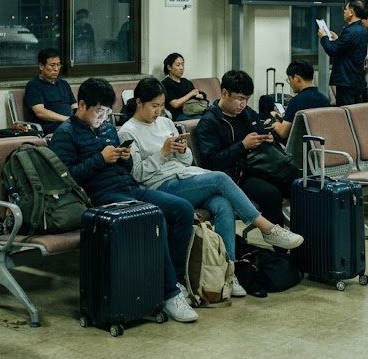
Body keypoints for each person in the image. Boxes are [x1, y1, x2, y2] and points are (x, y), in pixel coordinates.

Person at [119, 77, 304, 297]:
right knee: (219, 179)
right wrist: (163, 153)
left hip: (184, 176)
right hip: (160, 186)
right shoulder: (128, 131)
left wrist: (181, 149)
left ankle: (229, 271)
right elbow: (137, 174)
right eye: (154, 106)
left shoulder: (166, 122)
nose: (158, 111)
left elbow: (187, 161)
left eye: (161, 106)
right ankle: (268, 229)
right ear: (139, 103)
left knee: (223, 204)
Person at [49, 78, 199, 323]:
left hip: (128, 187)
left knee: (182, 209)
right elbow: (66, 179)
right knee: (154, 215)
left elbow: (126, 167)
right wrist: (100, 158)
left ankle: (174, 280)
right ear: (82, 105)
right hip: (100, 198)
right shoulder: (65, 134)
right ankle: (170, 293)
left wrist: (125, 157)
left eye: (107, 112)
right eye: (98, 112)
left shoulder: (108, 128)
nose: (102, 118)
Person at [195, 70, 292, 227]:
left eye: (247, 99)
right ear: (224, 93)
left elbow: (260, 131)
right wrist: (242, 146)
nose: (243, 104)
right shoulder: (209, 122)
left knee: (299, 181)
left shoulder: (246, 113)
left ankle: (306, 238)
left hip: (260, 166)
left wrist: (268, 138)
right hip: (237, 177)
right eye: (240, 99)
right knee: (271, 194)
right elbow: (211, 162)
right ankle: (279, 248)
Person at [318, 0, 368, 106]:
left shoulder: (350, 31)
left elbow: (333, 50)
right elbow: (349, 49)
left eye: (345, 9)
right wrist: (338, 40)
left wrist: (324, 38)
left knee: (345, 113)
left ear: (351, 12)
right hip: (357, 79)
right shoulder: (362, 30)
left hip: (346, 80)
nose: (344, 12)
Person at [270, 59, 331, 141]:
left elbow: (283, 133)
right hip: (321, 146)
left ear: (297, 78)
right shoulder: (324, 99)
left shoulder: (296, 101)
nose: (290, 83)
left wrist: (275, 123)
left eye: (289, 79)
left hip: (301, 148)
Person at [24, 48, 76, 134]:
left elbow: (74, 106)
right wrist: (67, 119)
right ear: (41, 66)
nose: (56, 69)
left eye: (58, 65)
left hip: (70, 124)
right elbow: (40, 112)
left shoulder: (64, 84)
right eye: (52, 65)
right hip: (52, 127)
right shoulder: (34, 85)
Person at [161, 52, 207, 121]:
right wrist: (191, 94)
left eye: (182, 65)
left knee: (213, 114)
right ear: (169, 67)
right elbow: (175, 104)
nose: (181, 68)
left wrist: (201, 95)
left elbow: (196, 92)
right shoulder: (166, 84)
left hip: (193, 111)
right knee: (205, 120)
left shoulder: (185, 82)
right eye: (178, 65)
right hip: (179, 115)